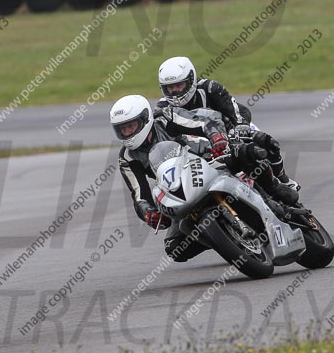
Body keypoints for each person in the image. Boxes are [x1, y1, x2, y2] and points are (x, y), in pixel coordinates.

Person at [111, 94, 297, 262]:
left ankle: (276, 190)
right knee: (175, 248)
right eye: (122, 129)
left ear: (145, 119)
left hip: (210, 156)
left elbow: (202, 122)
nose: (127, 133)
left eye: (131, 126)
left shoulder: (166, 117)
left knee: (249, 153)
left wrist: (216, 137)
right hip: (181, 189)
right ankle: (224, 237)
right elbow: (139, 195)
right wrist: (148, 213)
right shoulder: (127, 157)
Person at [156, 56, 299, 191]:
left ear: (191, 80)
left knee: (268, 143)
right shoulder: (162, 109)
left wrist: (240, 128)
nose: (174, 92)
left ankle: (282, 179)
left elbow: (238, 110)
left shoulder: (210, 88)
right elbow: (166, 141)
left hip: (230, 136)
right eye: (170, 88)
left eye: (179, 85)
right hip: (197, 150)